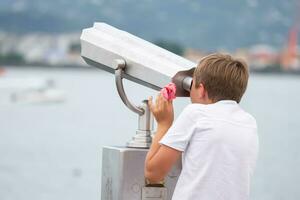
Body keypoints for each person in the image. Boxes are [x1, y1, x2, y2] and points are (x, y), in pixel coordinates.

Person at [144, 53, 258, 200]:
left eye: (192, 85)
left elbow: (153, 173)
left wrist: (164, 124)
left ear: (202, 90)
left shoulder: (195, 113)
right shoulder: (249, 123)